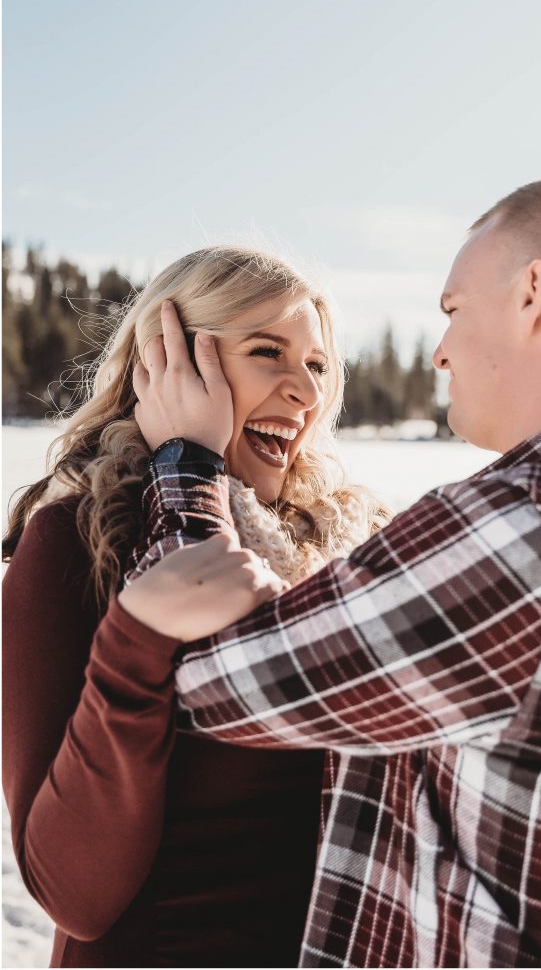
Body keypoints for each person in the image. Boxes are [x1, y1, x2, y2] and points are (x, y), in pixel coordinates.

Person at [115, 175, 541, 969]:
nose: (440, 349)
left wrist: (187, 461)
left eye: (453, 310)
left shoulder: (536, 526)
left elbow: (210, 676)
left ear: (532, 293)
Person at [2, 246, 389, 968]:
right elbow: (74, 893)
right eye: (267, 350)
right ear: (168, 358)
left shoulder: (345, 549)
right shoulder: (77, 545)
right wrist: (137, 647)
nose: (303, 391)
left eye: (316, 365)